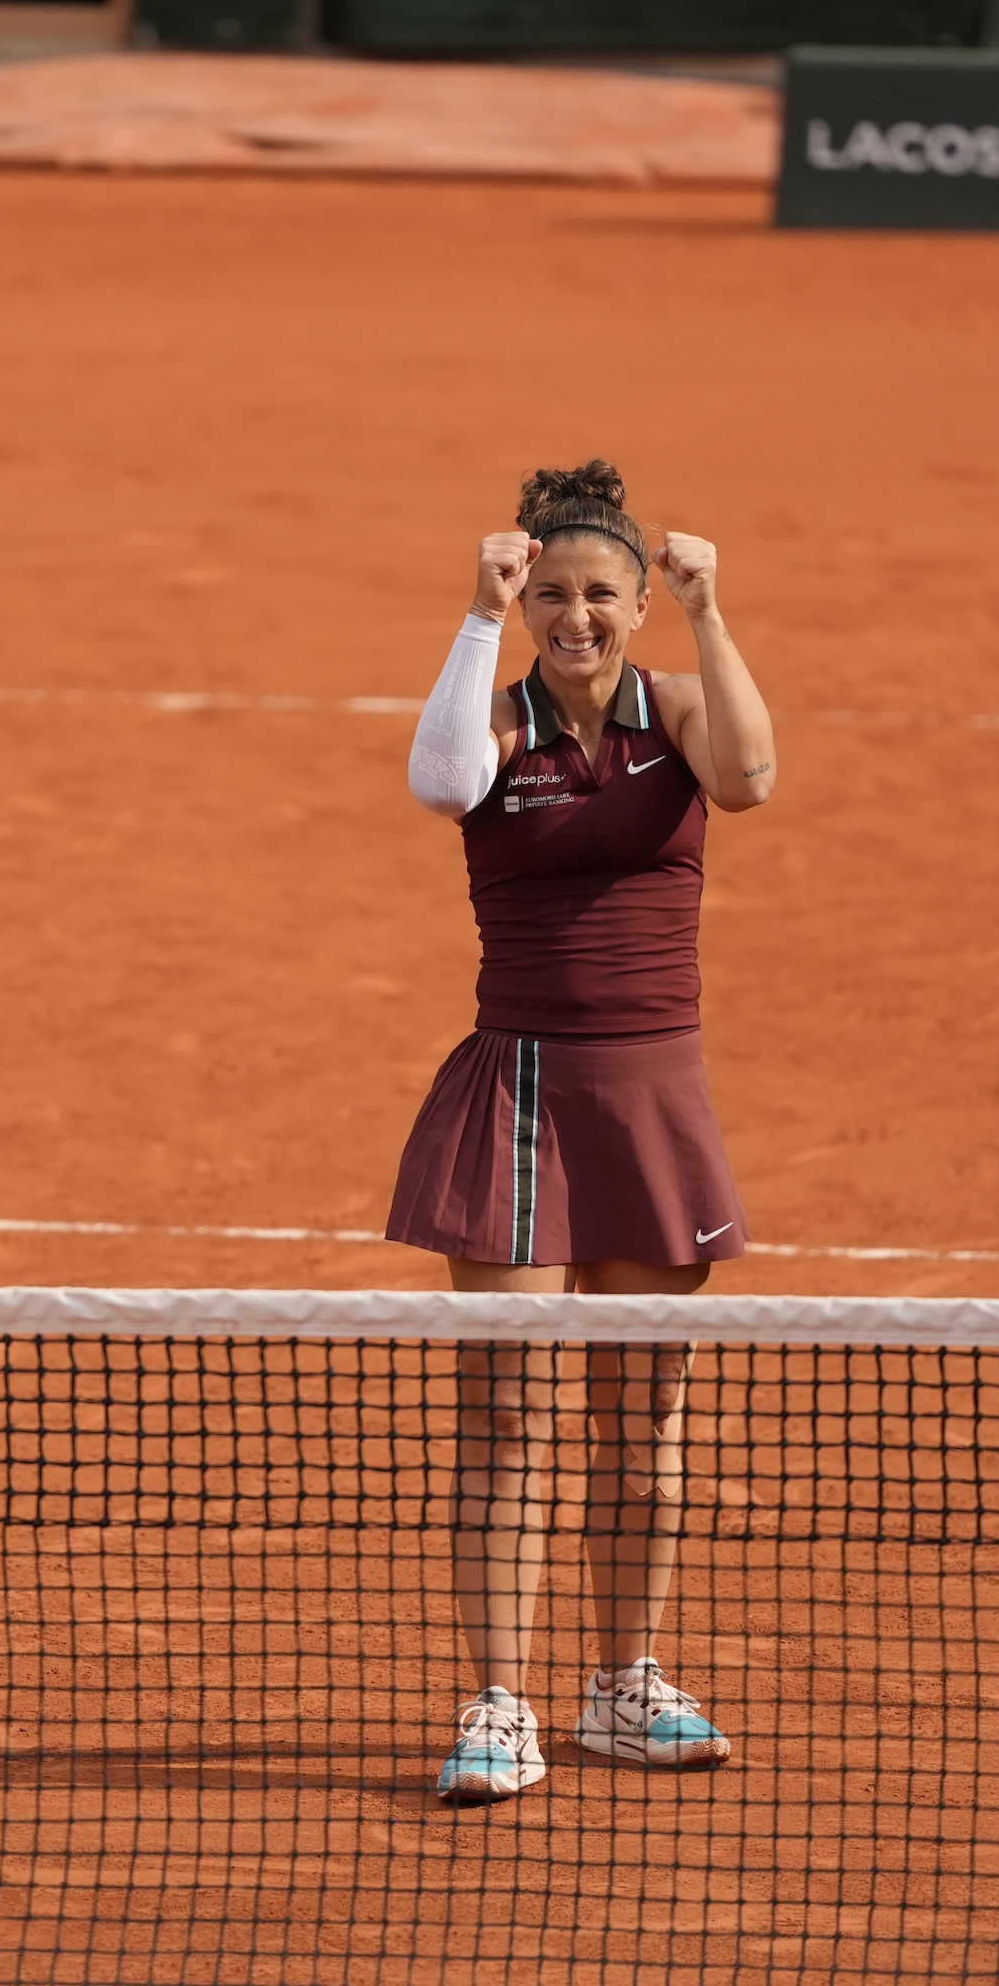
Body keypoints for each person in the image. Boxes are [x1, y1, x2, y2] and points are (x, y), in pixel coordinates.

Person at [386, 459, 777, 1804]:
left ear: (638, 605)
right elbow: (440, 785)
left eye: (599, 592)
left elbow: (756, 775)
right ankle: (500, 1701)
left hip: (653, 1101)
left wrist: (712, 611)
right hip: (523, 1098)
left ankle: (623, 1683)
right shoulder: (495, 726)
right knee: (508, 1413)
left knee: (646, 1413)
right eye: (548, 590)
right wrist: (475, 615)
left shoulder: (674, 710)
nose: (575, 614)